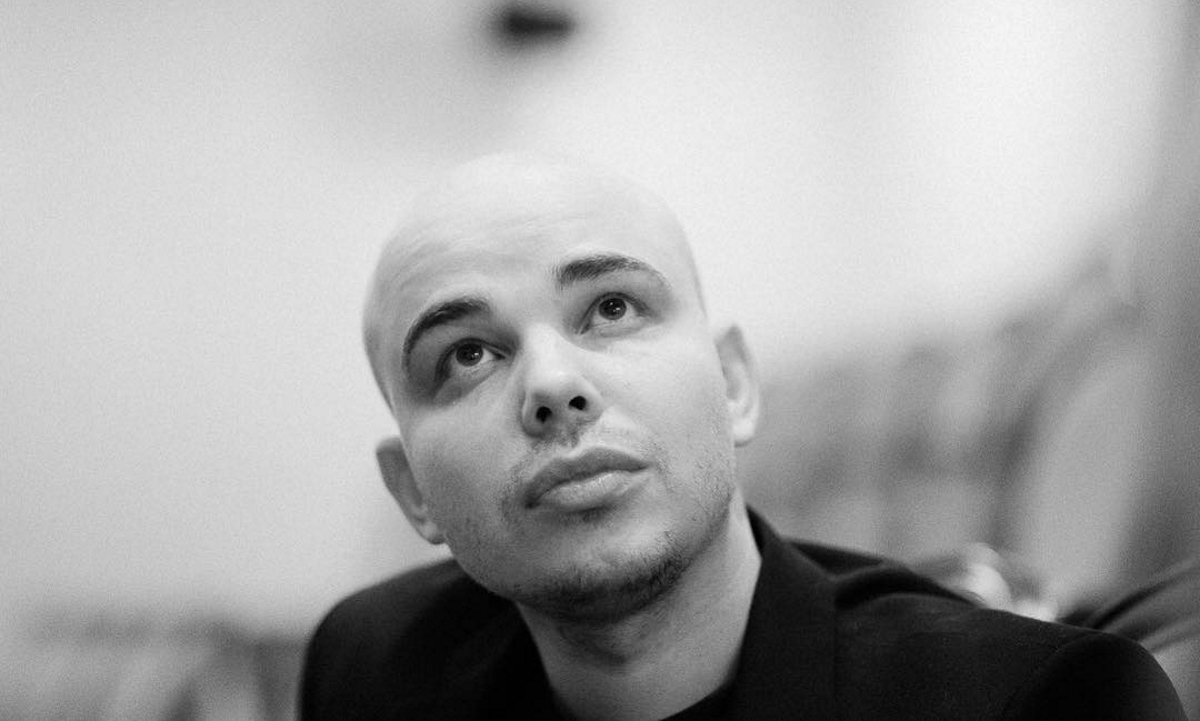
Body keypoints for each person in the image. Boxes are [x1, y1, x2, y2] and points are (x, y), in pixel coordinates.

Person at [301, 153, 1185, 719]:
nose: (552, 384)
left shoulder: (1043, 702)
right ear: (414, 493)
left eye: (611, 308)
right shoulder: (373, 664)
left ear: (732, 384)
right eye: (466, 355)